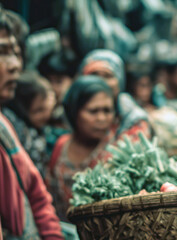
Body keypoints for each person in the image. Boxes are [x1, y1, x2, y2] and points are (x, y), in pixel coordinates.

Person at [0, 7, 63, 239]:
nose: (15, 64)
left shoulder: (4, 127)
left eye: (16, 53)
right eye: (3, 51)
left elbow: (37, 196)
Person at [46, 76, 116, 222]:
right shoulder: (61, 145)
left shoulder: (117, 149)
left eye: (107, 110)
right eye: (93, 111)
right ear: (74, 112)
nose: (102, 118)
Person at [79, 49, 152, 140]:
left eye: (107, 76)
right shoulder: (73, 111)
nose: (100, 82)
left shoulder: (133, 119)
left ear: (119, 80)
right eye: (94, 75)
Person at [3, 71, 55, 178]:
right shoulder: (20, 133)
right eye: (38, 111)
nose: (45, 115)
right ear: (22, 110)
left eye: (47, 109)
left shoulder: (44, 130)